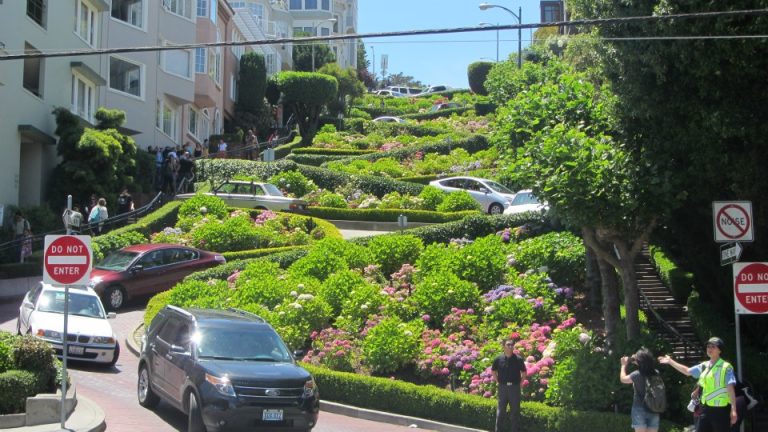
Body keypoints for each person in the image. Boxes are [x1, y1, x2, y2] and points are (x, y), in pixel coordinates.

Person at [659, 337, 738, 432]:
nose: (709, 349)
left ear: (720, 350)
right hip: (705, 409)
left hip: (721, 410)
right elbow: (687, 371)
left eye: (713, 347)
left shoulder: (726, 367)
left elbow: (730, 388)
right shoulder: (704, 365)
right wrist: (670, 362)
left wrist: (733, 409)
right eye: (708, 346)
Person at [620, 348, 661, 432]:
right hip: (654, 408)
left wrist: (623, 365)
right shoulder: (656, 373)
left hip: (639, 408)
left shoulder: (636, 374)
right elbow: (645, 367)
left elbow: (623, 379)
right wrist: (636, 360)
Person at [491, 339, 526, 432]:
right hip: (502, 388)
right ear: (504, 346)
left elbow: (524, 372)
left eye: (512, 345)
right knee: (500, 412)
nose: (511, 346)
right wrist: (497, 381)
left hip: (514, 388)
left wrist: (520, 383)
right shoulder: (498, 359)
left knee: (515, 412)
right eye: (508, 345)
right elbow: (493, 370)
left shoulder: (518, 359)